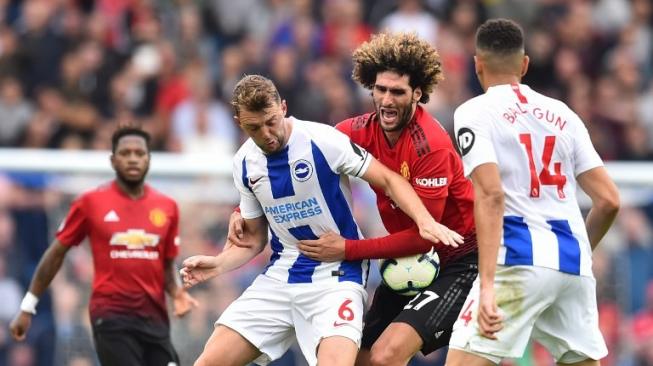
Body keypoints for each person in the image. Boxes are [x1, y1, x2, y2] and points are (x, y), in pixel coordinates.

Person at [229, 33, 479, 366]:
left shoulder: (430, 145)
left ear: (418, 94)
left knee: (386, 355)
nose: (387, 100)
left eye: (398, 92)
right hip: (407, 264)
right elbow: (300, 155)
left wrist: (348, 249)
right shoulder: (356, 130)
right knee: (360, 360)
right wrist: (242, 209)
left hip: (459, 260)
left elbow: (424, 236)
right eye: (381, 90)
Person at [179, 74, 462, 366]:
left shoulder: (323, 141)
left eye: (271, 121)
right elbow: (252, 239)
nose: (266, 134)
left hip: (337, 278)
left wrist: (424, 219)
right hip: (281, 276)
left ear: (283, 108)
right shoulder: (244, 163)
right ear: (239, 123)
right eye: (254, 127)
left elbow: (389, 180)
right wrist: (219, 264)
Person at [446, 19, 621, 366]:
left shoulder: (473, 112)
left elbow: (491, 195)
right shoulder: (564, 114)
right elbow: (609, 200)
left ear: (477, 63)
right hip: (573, 265)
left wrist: (487, 286)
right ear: (524, 64)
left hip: (517, 260)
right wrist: (581, 252)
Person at [9, 125, 198, 366]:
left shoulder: (167, 207)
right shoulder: (91, 202)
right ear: (113, 159)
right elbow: (56, 253)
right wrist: (28, 306)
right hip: (111, 317)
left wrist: (178, 292)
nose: (132, 159)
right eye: (125, 153)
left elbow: (167, 263)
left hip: (155, 320)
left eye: (139, 153)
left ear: (148, 159)